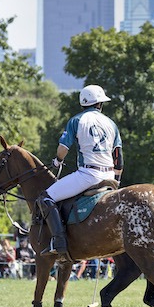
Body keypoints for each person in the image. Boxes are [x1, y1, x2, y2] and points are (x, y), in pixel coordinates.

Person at [36, 84, 123, 260]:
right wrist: (117, 181)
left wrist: (57, 161)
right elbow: (118, 158)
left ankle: (58, 242)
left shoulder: (77, 120)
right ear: (99, 104)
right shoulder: (111, 123)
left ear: (83, 104)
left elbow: (63, 148)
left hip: (88, 175)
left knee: (45, 198)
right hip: (110, 177)